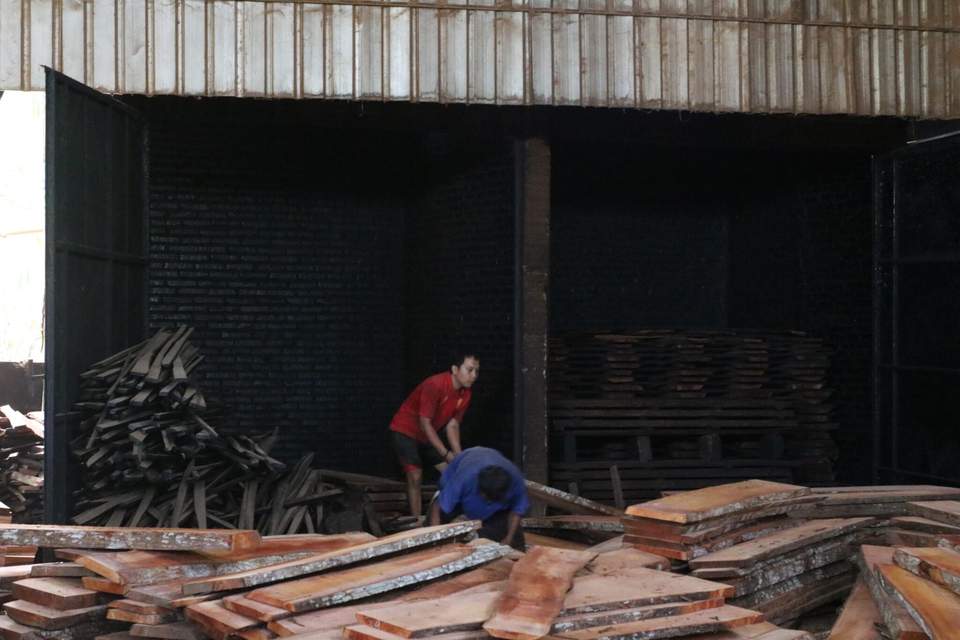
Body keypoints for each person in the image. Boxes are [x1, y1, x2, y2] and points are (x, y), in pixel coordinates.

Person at [389, 352, 480, 517]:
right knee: (415, 475)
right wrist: (445, 453)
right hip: (405, 431)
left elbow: (452, 425)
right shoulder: (435, 384)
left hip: (426, 436)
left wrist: (458, 457)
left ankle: (448, 516)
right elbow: (425, 423)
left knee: (451, 471)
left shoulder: (465, 393)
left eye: (476, 371)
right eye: (469, 370)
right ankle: (417, 521)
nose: (474, 375)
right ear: (455, 369)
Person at [428, 446, 529, 550]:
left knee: (516, 544)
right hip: (465, 473)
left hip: (495, 501)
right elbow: (438, 507)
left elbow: (516, 512)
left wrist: (509, 539)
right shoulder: (463, 479)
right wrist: (435, 539)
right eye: (486, 498)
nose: (487, 501)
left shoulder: (516, 482)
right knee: (431, 532)